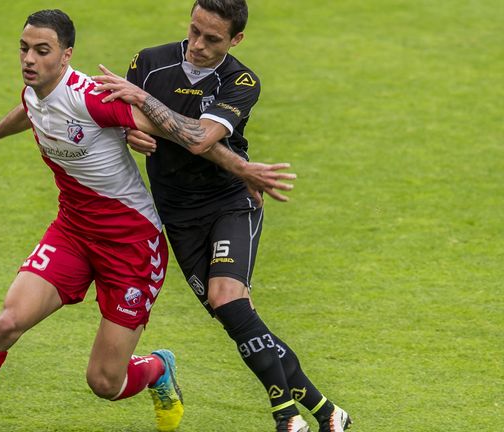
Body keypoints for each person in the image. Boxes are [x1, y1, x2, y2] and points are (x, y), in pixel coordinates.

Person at [0, 8, 292, 432]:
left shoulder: (92, 98)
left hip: (131, 245)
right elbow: (31, 111)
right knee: (6, 324)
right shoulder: (36, 92)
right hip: (73, 233)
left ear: (66, 56)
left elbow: (185, 135)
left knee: (104, 382)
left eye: (42, 51)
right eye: (24, 49)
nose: (29, 59)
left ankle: (157, 368)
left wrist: (240, 168)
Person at [92, 1, 352, 431]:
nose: (197, 45)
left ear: (236, 40)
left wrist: (142, 104)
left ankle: (286, 417)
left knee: (228, 297)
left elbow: (199, 138)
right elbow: (124, 122)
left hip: (230, 201)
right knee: (237, 319)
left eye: (212, 39)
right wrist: (133, 131)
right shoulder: (149, 62)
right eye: (194, 31)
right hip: (176, 213)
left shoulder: (241, 80)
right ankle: (328, 413)